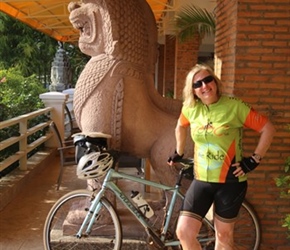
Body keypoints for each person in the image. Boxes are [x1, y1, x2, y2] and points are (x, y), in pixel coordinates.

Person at [168, 64, 275, 250]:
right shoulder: (191, 108)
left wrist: (254, 159)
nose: (204, 86)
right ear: (192, 90)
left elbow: (267, 128)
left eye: (208, 80)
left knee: (223, 237)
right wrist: (179, 152)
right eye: (197, 84)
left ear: (215, 82)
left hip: (230, 182)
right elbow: (180, 126)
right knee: (184, 232)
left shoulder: (234, 106)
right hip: (201, 180)